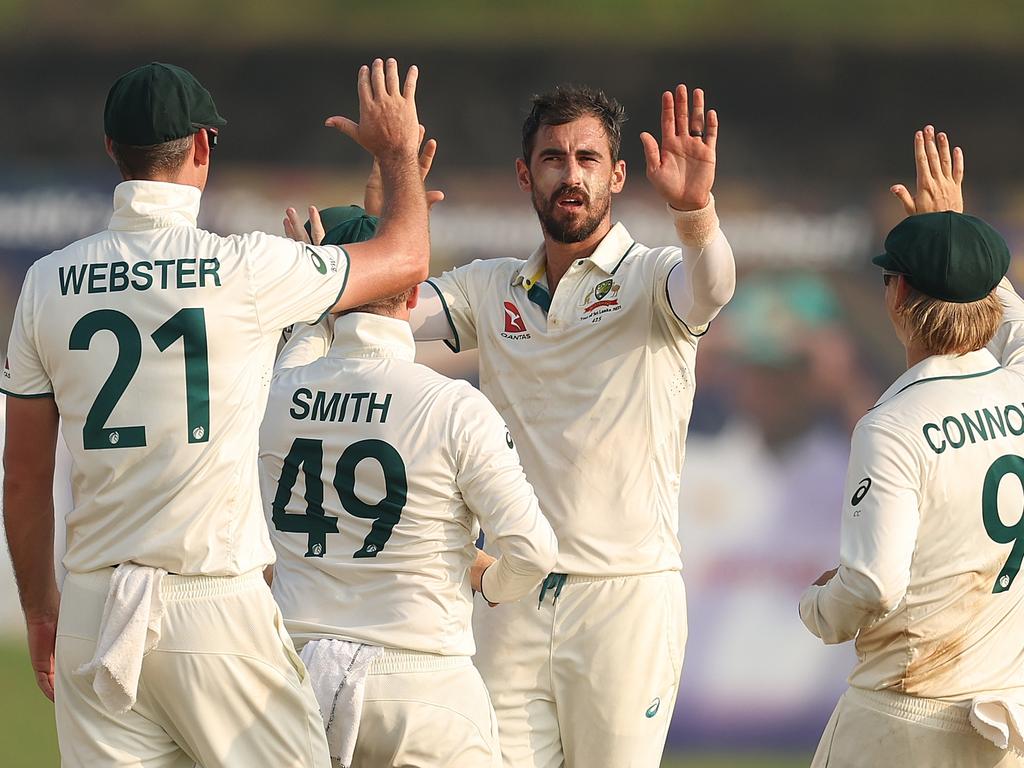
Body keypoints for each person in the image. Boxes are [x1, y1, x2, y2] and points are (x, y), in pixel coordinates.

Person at [2, 57, 430, 768]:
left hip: (93, 606)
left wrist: (44, 613)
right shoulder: (246, 267)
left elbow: (21, 480)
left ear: (113, 150)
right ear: (201, 146)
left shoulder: (45, 285)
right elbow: (408, 256)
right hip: (213, 607)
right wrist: (397, 154)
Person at [409, 83, 735, 767]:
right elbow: (393, 317)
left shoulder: (653, 277)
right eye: (554, 158)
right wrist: (391, 189)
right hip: (513, 595)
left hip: (624, 601)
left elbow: (712, 288)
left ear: (617, 175)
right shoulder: (490, 285)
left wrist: (695, 212)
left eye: (589, 157)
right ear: (526, 175)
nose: (572, 173)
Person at [261, 205, 558, 768]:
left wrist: (315, 289)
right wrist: (491, 581)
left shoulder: (273, 395)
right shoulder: (453, 407)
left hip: (296, 685)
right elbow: (535, 550)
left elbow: (301, 345)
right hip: (425, 692)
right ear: (414, 294)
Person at [800, 126, 1024, 767]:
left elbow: (871, 585)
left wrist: (818, 608)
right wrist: (958, 237)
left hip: (901, 722)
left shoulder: (892, 425)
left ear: (897, 295)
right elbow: (1011, 318)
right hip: (1001, 723)